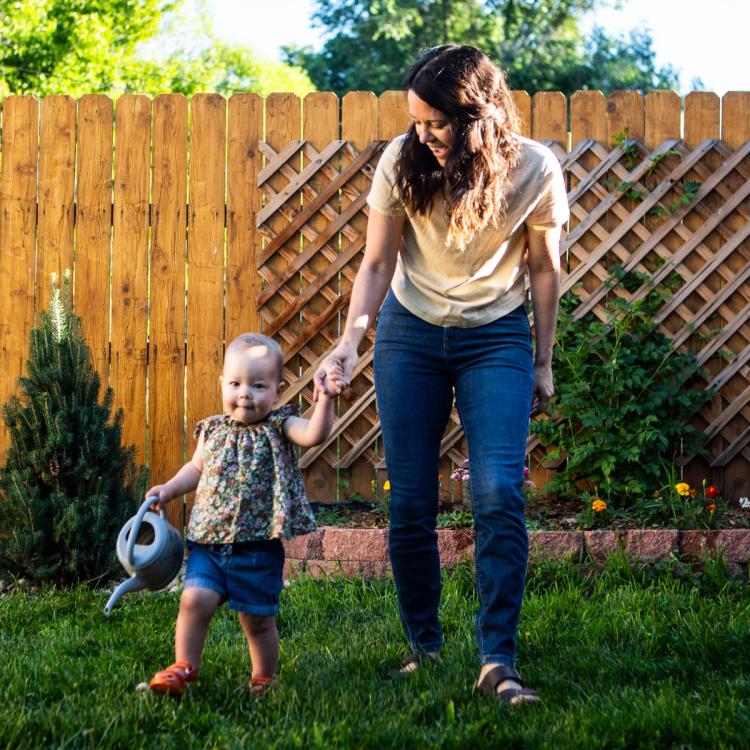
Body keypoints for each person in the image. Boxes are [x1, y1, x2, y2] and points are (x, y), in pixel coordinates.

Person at [315, 45, 569, 706]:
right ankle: (424, 647)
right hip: (411, 333)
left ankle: (497, 659)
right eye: (417, 121)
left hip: (497, 336)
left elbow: (544, 268)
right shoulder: (402, 162)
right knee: (411, 502)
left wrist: (542, 360)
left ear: (477, 115)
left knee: (497, 494)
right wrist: (349, 342)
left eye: (438, 123)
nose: (423, 134)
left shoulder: (534, 169)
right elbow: (376, 265)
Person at [146, 333, 341, 695]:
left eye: (257, 385)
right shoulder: (213, 429)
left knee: (257, 618)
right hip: (210, 541)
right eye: (235, 383)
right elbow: (195, 468)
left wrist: (326, 400)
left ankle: (263, 676)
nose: (245, 393)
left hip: (257, 548)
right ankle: (183, 667)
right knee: (193, 600)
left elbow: (315, 434)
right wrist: (169, 489)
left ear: (278, 390)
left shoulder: (280, 426)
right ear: (222, 384)